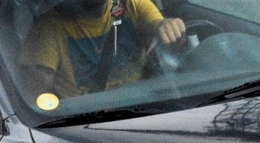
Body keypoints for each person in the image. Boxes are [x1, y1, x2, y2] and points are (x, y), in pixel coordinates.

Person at [21, 0, 185, 97]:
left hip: (144, 106)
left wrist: (168, 27)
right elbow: (35, 94)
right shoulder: (49, 28)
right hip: (89, 121)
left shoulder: (131, 5)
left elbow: (157, 28)